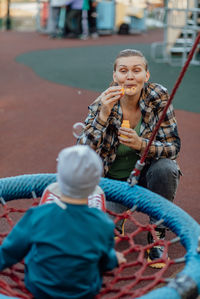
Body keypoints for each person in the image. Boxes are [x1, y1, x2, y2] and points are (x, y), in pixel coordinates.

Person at [77, 49, 181, 268]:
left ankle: (157, 232)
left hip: (145, 178)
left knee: (166, 167)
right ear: (115, 76)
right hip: (112, 183)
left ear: (147, 75)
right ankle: (118, 216)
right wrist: (103, 115)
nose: (130, 76)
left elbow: (173, 147)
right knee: (101, 232)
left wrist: (141, 144)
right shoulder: (103, 103)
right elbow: (82, 153)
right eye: (123, 71)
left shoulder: (158, 97)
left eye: (137, 70)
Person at [0, 145, 126, 299]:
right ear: (95, 184)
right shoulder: (104, 223)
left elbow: (11, 250)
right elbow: (104, 262)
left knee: (37, 243)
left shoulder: (38, 215)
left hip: (39, 287)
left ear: (59, 178)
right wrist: (114, 259)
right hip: (84, 292)